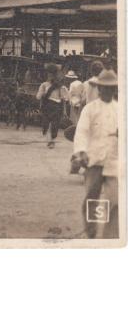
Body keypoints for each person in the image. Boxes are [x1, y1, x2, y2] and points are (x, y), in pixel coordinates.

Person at [70, 70, 118, 238]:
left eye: (111, 88)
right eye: (104, 87)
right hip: (94, 160)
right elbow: (81, 132)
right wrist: (81, 151)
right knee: (93, 199)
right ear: (99, 88)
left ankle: (109, 238)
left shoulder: (119, 109)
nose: (107, 91)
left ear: (115, 89)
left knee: (115, 200)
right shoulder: (90, 109)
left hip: (113, 161)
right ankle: (92, 233)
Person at [36, 64, 69, 149]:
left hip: (54, 106)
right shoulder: (46, 85)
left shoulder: (58, 86)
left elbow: (64, 99)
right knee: (48, 124)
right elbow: (38, 96)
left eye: (52, 74)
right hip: (51, 106)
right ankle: (50, 141)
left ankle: (51, 141)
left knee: (52, 124)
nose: (51, 76)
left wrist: (64, 111)